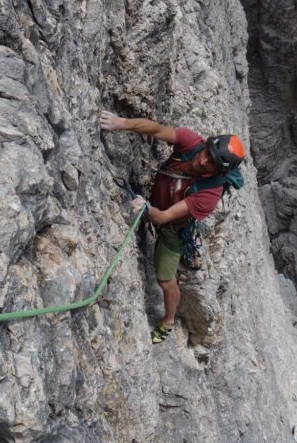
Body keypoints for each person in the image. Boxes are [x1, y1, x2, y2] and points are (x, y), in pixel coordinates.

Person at [100, 112, 245, 344]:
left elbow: (165, 216)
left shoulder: (209, 194)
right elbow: (157, 130)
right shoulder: (192, 143)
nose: (203, 160)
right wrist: (122, 123)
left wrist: (146, 210)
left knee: (166, 281)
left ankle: (168, 321)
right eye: (207, 153)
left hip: (172, 230)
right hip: (158, 202)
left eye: (211, 163)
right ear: (206, 145)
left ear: (219, 172)